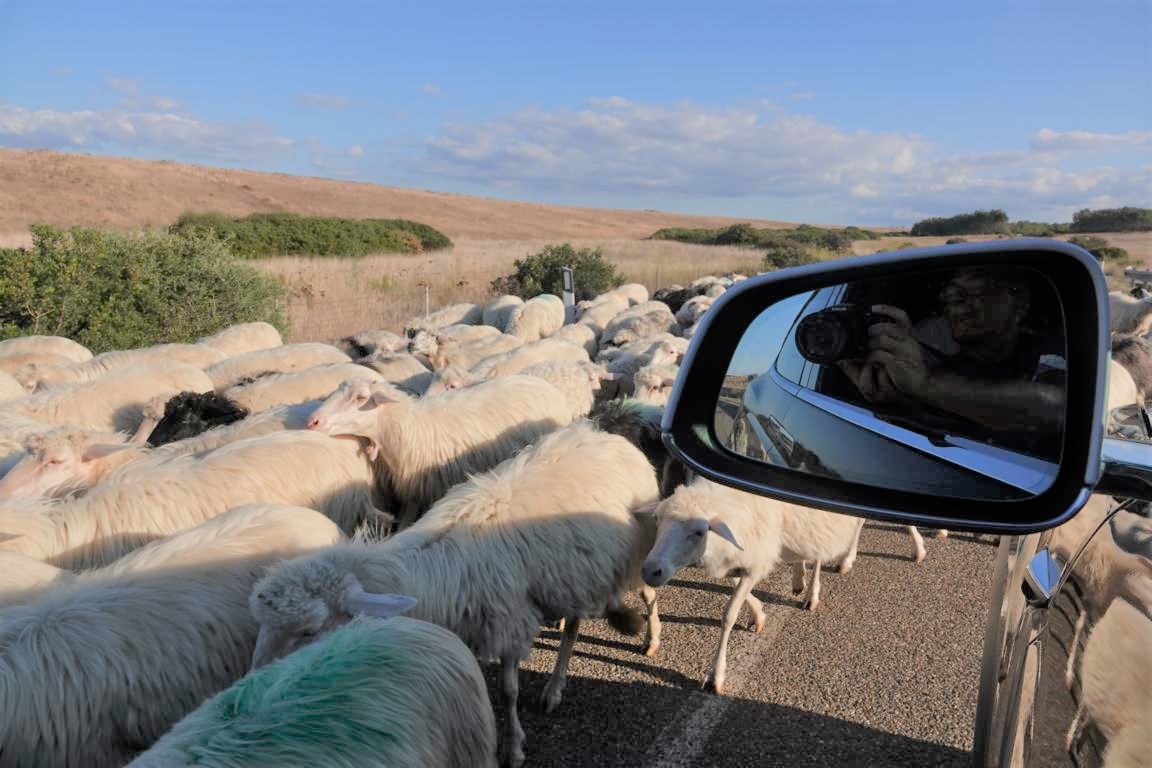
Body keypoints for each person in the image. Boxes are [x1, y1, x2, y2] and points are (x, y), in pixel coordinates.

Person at [837, 267, 1066, 435]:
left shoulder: (1053, 348)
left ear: (1020, 300)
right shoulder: (939, 368)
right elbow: (943, 428)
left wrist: (925, 385)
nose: (956, 306)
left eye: (977, 290)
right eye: (951, 296)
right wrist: (896, 399)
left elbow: (1055, 407)